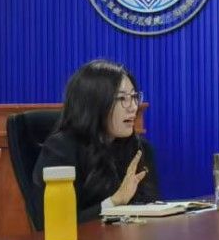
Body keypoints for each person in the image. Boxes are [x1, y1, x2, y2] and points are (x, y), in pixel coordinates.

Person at [33, 59, 159, 223]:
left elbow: (150, 209)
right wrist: (114, 202)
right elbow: (56, 223)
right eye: (122, 98)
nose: (133, 106)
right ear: (94, 104)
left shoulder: (139, 148)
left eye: (134, 97)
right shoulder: (61, 150)